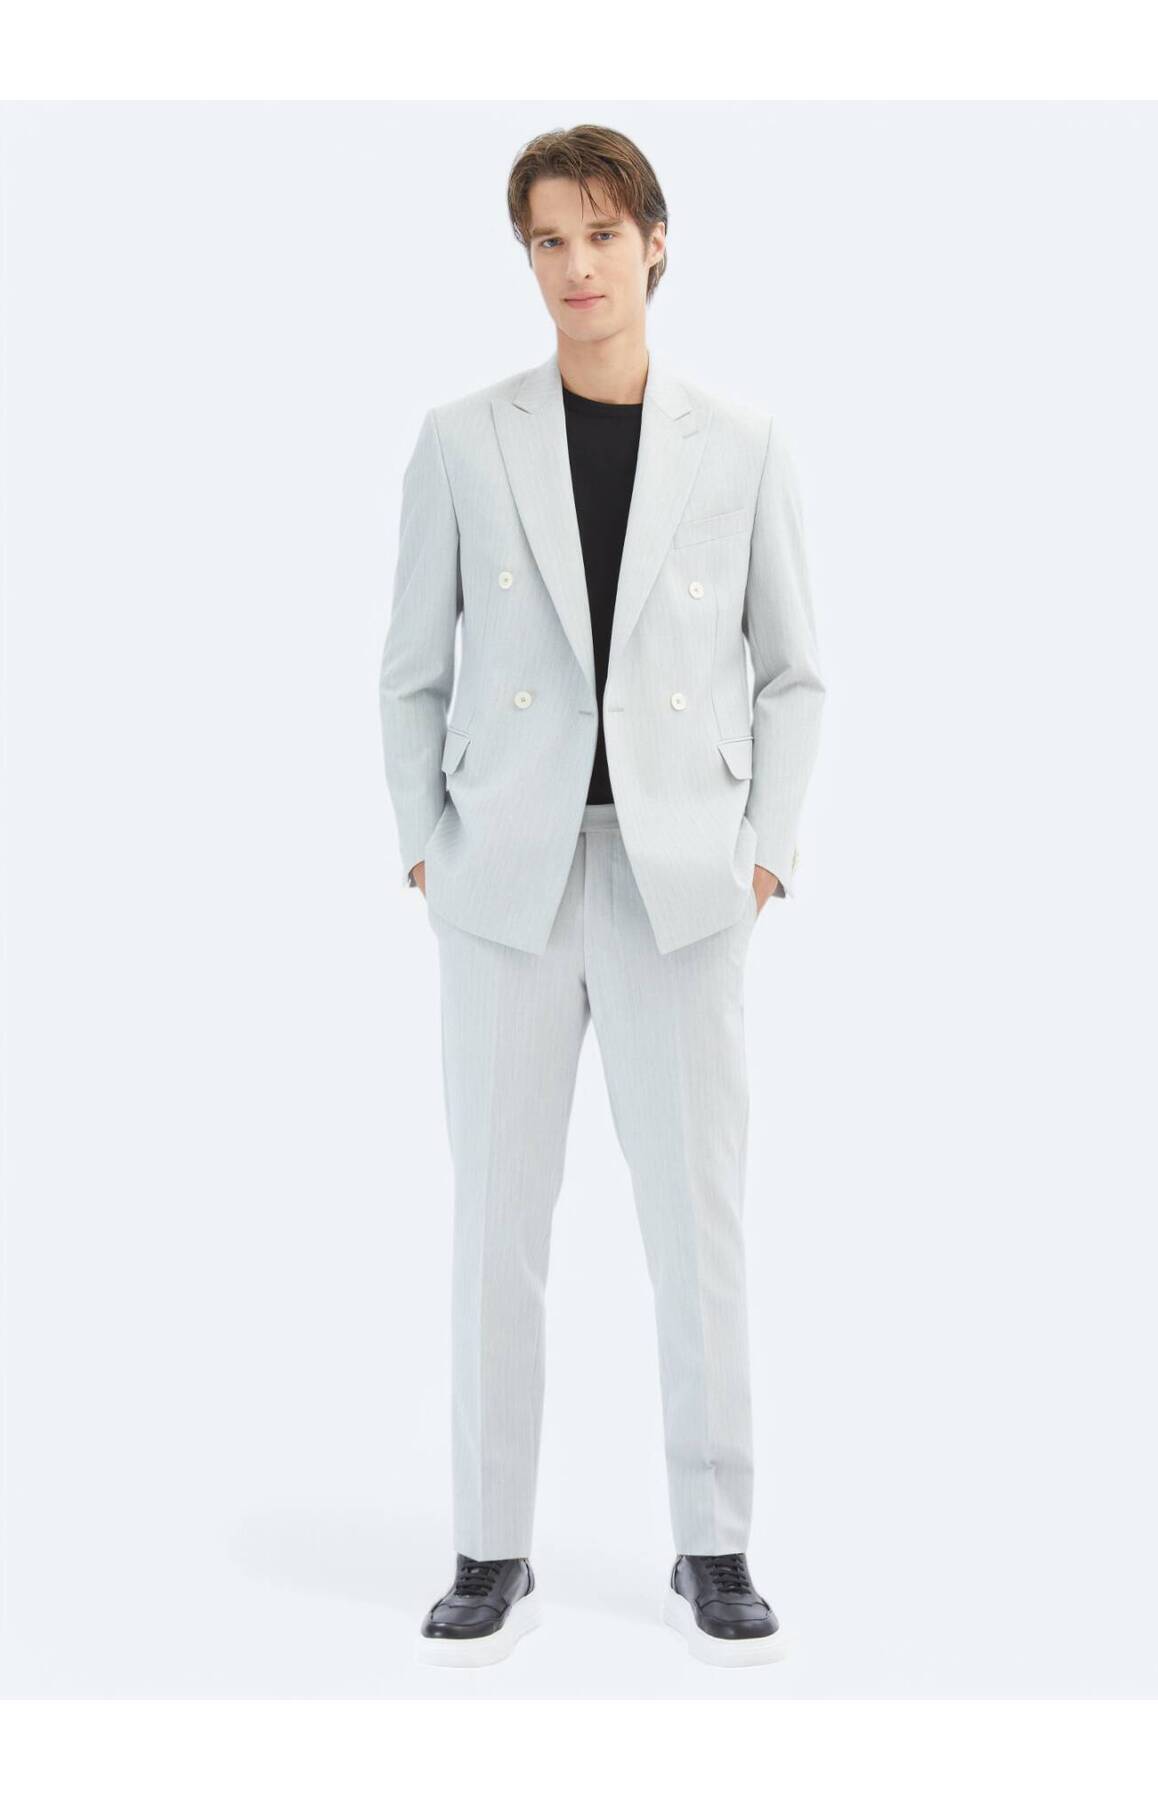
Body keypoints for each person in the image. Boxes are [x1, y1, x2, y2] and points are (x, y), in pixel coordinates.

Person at [379, 123, 825, 1667]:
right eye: (547, 241)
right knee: (494, 1223)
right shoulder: (462, 437)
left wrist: (764, 849)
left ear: (655, 240)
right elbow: (409, 667)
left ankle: (715, 1541)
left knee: (696, 1223)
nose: (576, 266)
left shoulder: (740, 441)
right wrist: (426, 841)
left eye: (600, 233)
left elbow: (794, 671)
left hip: (681, 882)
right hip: (504, 881)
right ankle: (488, 1545)